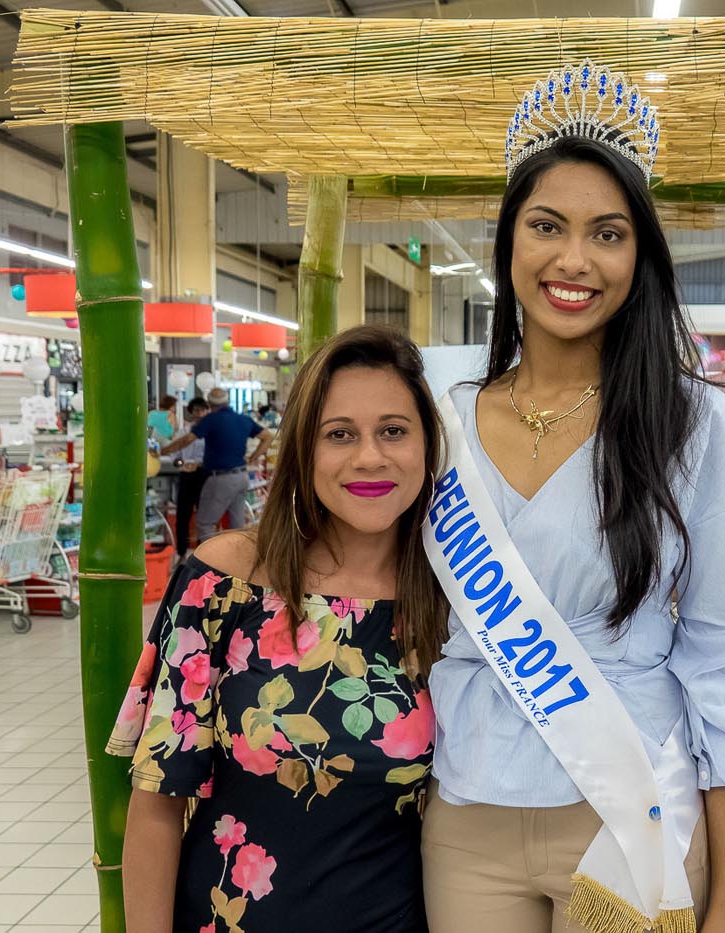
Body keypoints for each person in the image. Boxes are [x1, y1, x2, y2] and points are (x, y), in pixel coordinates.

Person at [421, 62, 725, 933]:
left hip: (631, 810)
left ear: (641, 257)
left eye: (609, 234)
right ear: (509, 240)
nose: (574, 260)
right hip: (469, 817)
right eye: (547, 226)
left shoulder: (688, 422)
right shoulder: (441, 422)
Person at [108, 326, 448, 933]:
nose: (369, 456)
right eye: (339, 434)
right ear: (302, 450)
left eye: (393, 431)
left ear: (427, 445)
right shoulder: (222, 582)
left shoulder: (459, 601)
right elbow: (158, 800)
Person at [161, 388, 273, 541]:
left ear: (210, 404)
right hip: (241, 477)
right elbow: (268, 437)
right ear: (227, 402)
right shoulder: (243, 419)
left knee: (205, 524)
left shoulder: (211, 420)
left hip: (220, 478)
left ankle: (210, 563)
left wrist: (163, 451)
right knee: (237, 526)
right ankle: (236, 562)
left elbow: (187, 440)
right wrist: (254, 457)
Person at [172, 398, 209, 561]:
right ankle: (181, 553)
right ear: (191, 412)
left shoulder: (210, 432)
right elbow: (175, 455)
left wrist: (200, 465)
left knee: (205, 517)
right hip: (186, 475)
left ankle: (204, 555)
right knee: (182, 516)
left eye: (202, 410)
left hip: (204, 476)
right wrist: (181, 464)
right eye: (196, 410)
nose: (199, 414)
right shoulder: (183, 432)